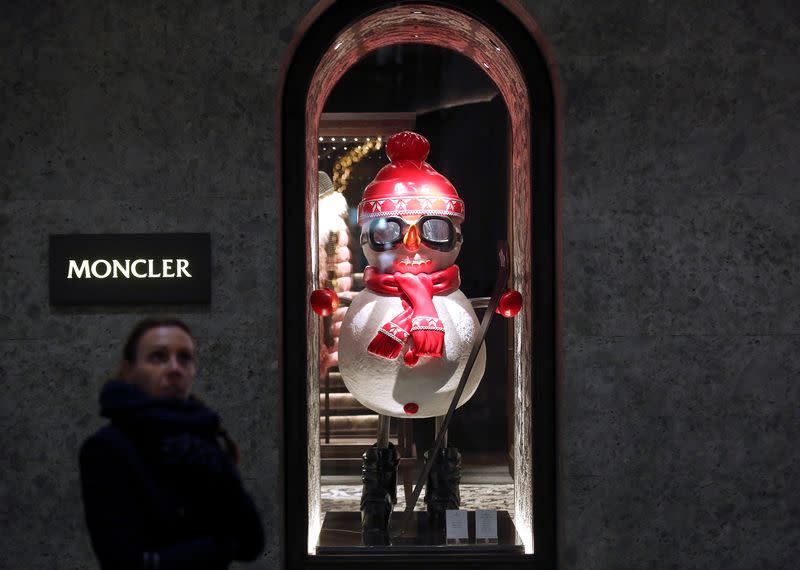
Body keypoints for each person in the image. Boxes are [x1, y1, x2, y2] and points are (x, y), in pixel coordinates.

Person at [79, 317, 265, 569]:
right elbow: (124, 562)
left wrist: (222, 480)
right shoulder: (107, 449)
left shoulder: (204, 436)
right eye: (158, 357)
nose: (175, 368)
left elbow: (251, 543)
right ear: (128, 370)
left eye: (185, 358)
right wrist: (218, 547)